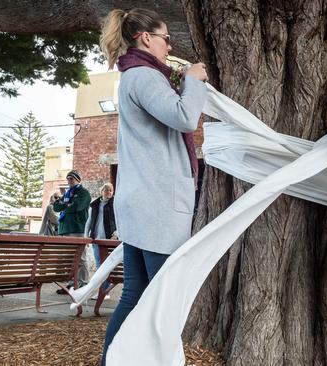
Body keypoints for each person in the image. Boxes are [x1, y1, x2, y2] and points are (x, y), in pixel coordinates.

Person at [98, 8, 208, 364]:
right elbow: (184, 117)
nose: (169, 45)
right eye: (164, 38)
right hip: (156, 205)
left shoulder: (136, 76)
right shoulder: (144, 76)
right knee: (163, 297)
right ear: (145, 38)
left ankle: (114, 359)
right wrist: (192, 80)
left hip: (144, 204)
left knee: (138, 292)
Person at [53, 170, 92, 293]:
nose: (69, 181)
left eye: (72, 179)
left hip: (77, 229)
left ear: (78, 180)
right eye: (68, 179)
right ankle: (72, 283)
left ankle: (83, 283)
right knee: (69, 258)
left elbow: (78, 206)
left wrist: (66, 204)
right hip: (65, 229)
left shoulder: (84, 193)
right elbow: (56, 207)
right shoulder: (67, 194)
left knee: (80, 258)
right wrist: (68, 204)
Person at [85, 182, 117, 299]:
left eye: (110, 190)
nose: (108, 192)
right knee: (100, 265)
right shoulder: (95, 205)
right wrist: (85, 236)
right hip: (96, 239)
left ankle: (104, 292)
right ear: (101, 192)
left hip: (108, 240)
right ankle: (102, 292)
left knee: (105, 265)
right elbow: (89, 221)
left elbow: (119, 221)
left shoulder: (115, 205)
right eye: (106, 190)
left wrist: (117, 233)